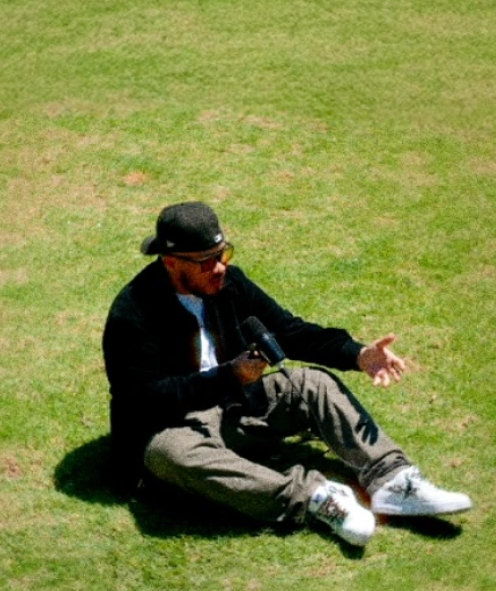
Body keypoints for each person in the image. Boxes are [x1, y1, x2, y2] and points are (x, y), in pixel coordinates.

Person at [102, 202, 473, 548]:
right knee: (172, 456)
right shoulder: (132, 313)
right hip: (175, 425)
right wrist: (229, 377)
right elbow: (144, 399)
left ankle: (393, 480)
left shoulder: (229, 284)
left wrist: (358, 354)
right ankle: (316, 499)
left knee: (314, 384)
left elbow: (289, 331)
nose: (219, 268)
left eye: (223, 254)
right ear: (170, 262)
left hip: (237, 402)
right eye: (205, 262)